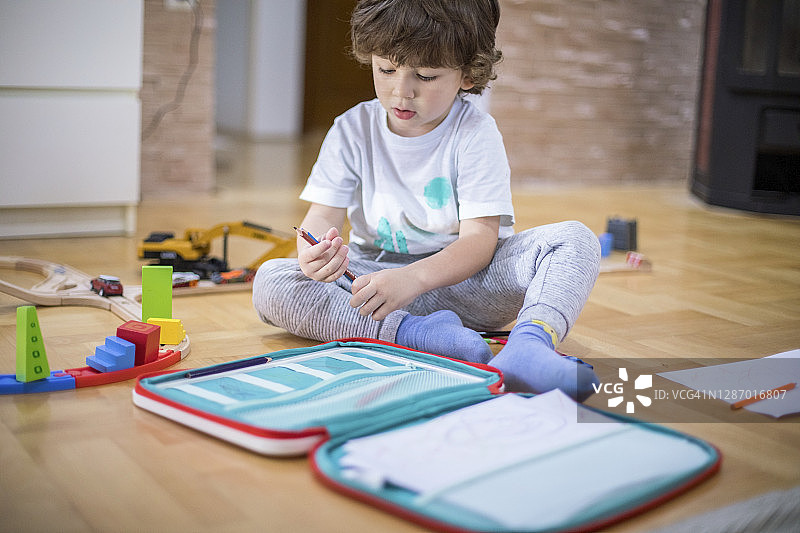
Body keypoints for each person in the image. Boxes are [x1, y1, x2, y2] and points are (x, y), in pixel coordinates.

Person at [253, 0, 600, 401]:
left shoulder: (475, 133)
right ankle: (419, 336)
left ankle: (530, 343)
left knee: (573, 239)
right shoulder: (351, 130)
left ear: (468, 74)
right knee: (273, 280)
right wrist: (314, 257)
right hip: (374, 284)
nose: (402, 90)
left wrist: (414, 279)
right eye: (386, 69)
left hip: (465, 282)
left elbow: (478, 242)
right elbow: (319, 220)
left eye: (426, 75)